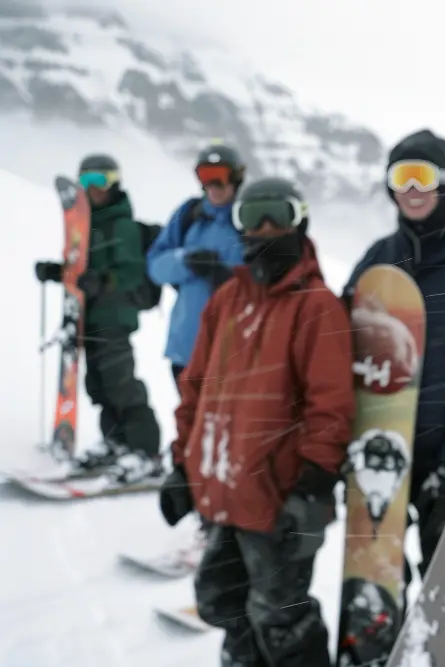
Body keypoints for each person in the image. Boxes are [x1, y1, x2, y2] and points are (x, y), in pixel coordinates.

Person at [158, 176, 355, 667]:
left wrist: (312, 487)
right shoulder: (227, 299)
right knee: (219, 601)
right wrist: (182, 464)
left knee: (280, 618)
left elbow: (329, 406)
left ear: (299, 222)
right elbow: (196, 388)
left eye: (278, 216)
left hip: (277, 500)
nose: (265, 229)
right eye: (253, 218)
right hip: (225, 492)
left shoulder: (316, 306)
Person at [343, 128, 445, 573]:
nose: (413, 190)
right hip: (385, 446)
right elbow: (345, 347)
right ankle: (378, 637)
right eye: (403, 178)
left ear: (442, 181)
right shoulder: (379, 257)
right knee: (377, 574)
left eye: (423, 176)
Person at [34, 154, 161, 482]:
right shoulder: (86, 227)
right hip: (88, 318)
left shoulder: (123, 226)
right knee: (99, 387)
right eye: (86, 182)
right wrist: (57, 272)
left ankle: (146, 452)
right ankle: (117, 443)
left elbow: (132, 274)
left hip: (115, 317)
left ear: (114, 184)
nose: (93, 189)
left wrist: (103, 282)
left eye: (100, 181)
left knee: (121, 385)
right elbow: (80, 271)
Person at [146, 142, 246, 392]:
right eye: (204, 176)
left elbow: (267, 283)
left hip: (233, 354)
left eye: (219, 176)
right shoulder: (190, 215)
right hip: (186, 351)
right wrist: (187, 261)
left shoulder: (250, 220)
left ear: (236, 177)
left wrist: (229, 280)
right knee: (190, 428)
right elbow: (155, 267)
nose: (212, 185)